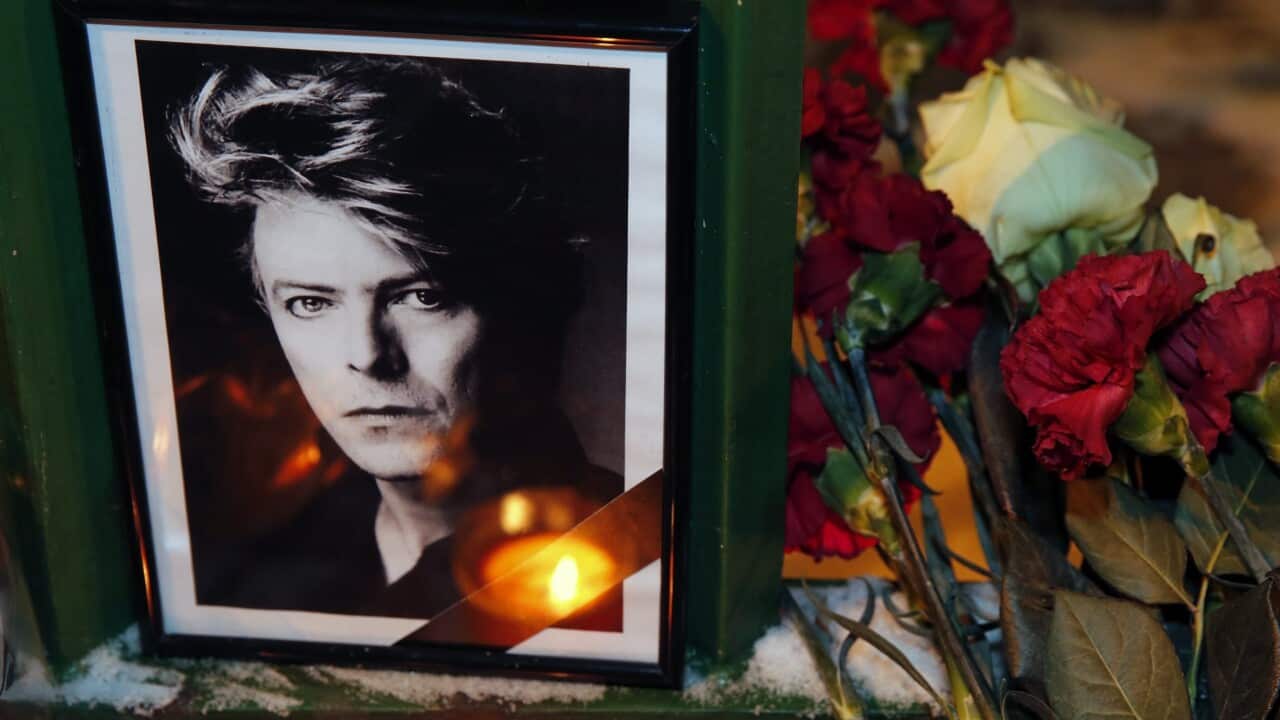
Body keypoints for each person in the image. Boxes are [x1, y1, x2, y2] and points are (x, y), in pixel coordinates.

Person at [167, 55, 621, 620]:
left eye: (422, 296)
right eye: (310, 303)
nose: (366, 356)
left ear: (530, 302)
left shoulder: (641, 568)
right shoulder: (261, 590)